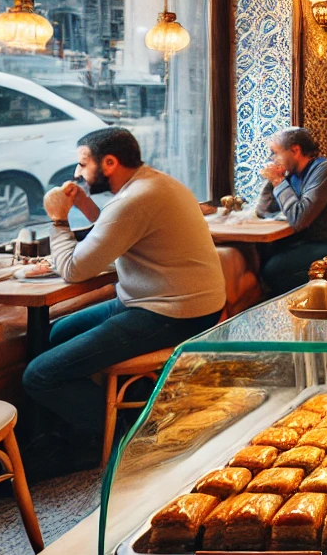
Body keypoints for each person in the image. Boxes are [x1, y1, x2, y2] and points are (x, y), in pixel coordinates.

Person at [25, 128, 224, 449]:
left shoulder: (135, 199)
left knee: (40, 376)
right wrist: (86, 207)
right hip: (171, 301)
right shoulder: (154, 183)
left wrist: (58, 220)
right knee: (57, 333)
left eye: (83, 164)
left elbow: (74, 270)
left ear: (110, 162)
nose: (77, 173)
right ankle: (80, 429)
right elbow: (115, 230)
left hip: (174, 312)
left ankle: (138, 435)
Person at [256, 126, 327, 293]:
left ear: (295, 150)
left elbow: (300, 219)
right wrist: (273, 180)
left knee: (273, 270)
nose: (272, 158)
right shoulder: (293, 175)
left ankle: (320, 298)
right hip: (311, 241)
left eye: (276, 152)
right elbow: (263, 210)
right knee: (265, 254)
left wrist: (278, 181)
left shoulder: (325, 170)